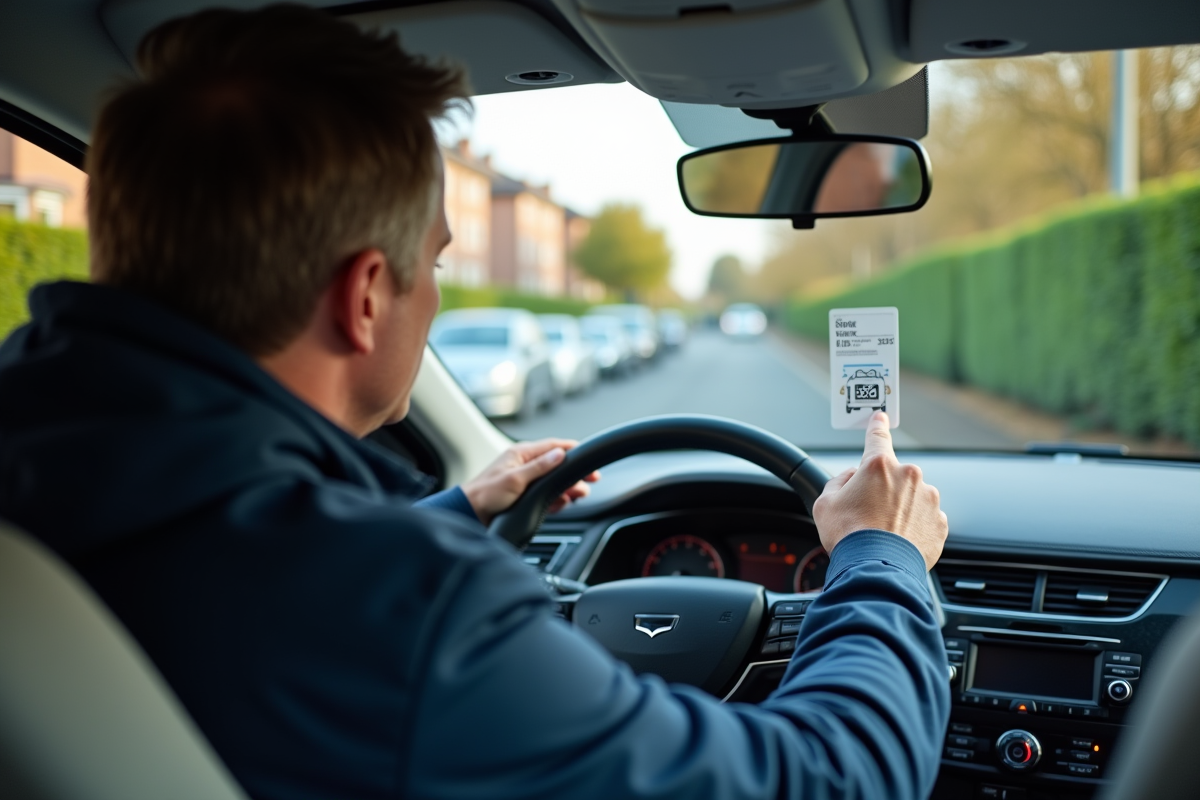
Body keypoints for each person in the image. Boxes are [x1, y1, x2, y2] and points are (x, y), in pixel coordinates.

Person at [0, 5, 950, 799]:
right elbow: (834, 777)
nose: (436, 296)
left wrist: (458, 509)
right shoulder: (408, 610)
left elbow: (238, 574)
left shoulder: (49, 470)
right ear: (365, 296)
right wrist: (880, 556)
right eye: (437, 263)